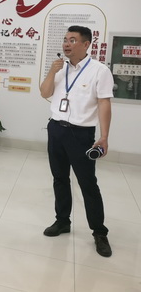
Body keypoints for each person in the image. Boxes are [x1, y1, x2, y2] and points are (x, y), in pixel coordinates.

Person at [39, 25, 113, 257]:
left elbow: (104, 103)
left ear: (86, 44)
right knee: (59, 178)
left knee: (88, 183)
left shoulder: (99, 71)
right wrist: (51, 71)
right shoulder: (60, 68)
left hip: (81, 134)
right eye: (65, 39)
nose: (66, 44)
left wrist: (104, 136)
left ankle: (99, 232)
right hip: (56, 129)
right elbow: (44, 92)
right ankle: (62, 221)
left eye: (72, 40)